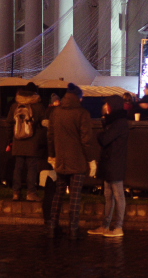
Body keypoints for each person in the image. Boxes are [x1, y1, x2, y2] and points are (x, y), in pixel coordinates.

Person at [47, 83, 96, 239]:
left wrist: (52, 155)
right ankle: (73, 230)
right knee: (75, 196)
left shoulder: (56, 112)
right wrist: (91, 160)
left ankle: (52, 226)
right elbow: (86, 140)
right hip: (78, 161)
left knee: (58, 194)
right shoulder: (82, 114)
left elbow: (50, 136)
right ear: (78, 98)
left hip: (60, 159)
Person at [88, 96, 129, 238]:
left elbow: (104, 139)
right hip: (109, 162)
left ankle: (118, 227)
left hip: (114, 162)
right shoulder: (114, 121)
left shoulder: (119, 123)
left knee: (117, 194)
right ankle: (106, 225)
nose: (105, 106)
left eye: (107, 104)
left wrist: (101, 132)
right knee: (108, 195)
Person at [7, 82, 46, 202]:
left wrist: (10, 140)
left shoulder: (15, 106)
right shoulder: (38, 106)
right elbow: (44, 124)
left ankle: (16, 192)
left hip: (18, 141)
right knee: (32, 168)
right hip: (33, 142)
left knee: (18, 167)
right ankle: (31, 193)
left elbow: (9, 123)